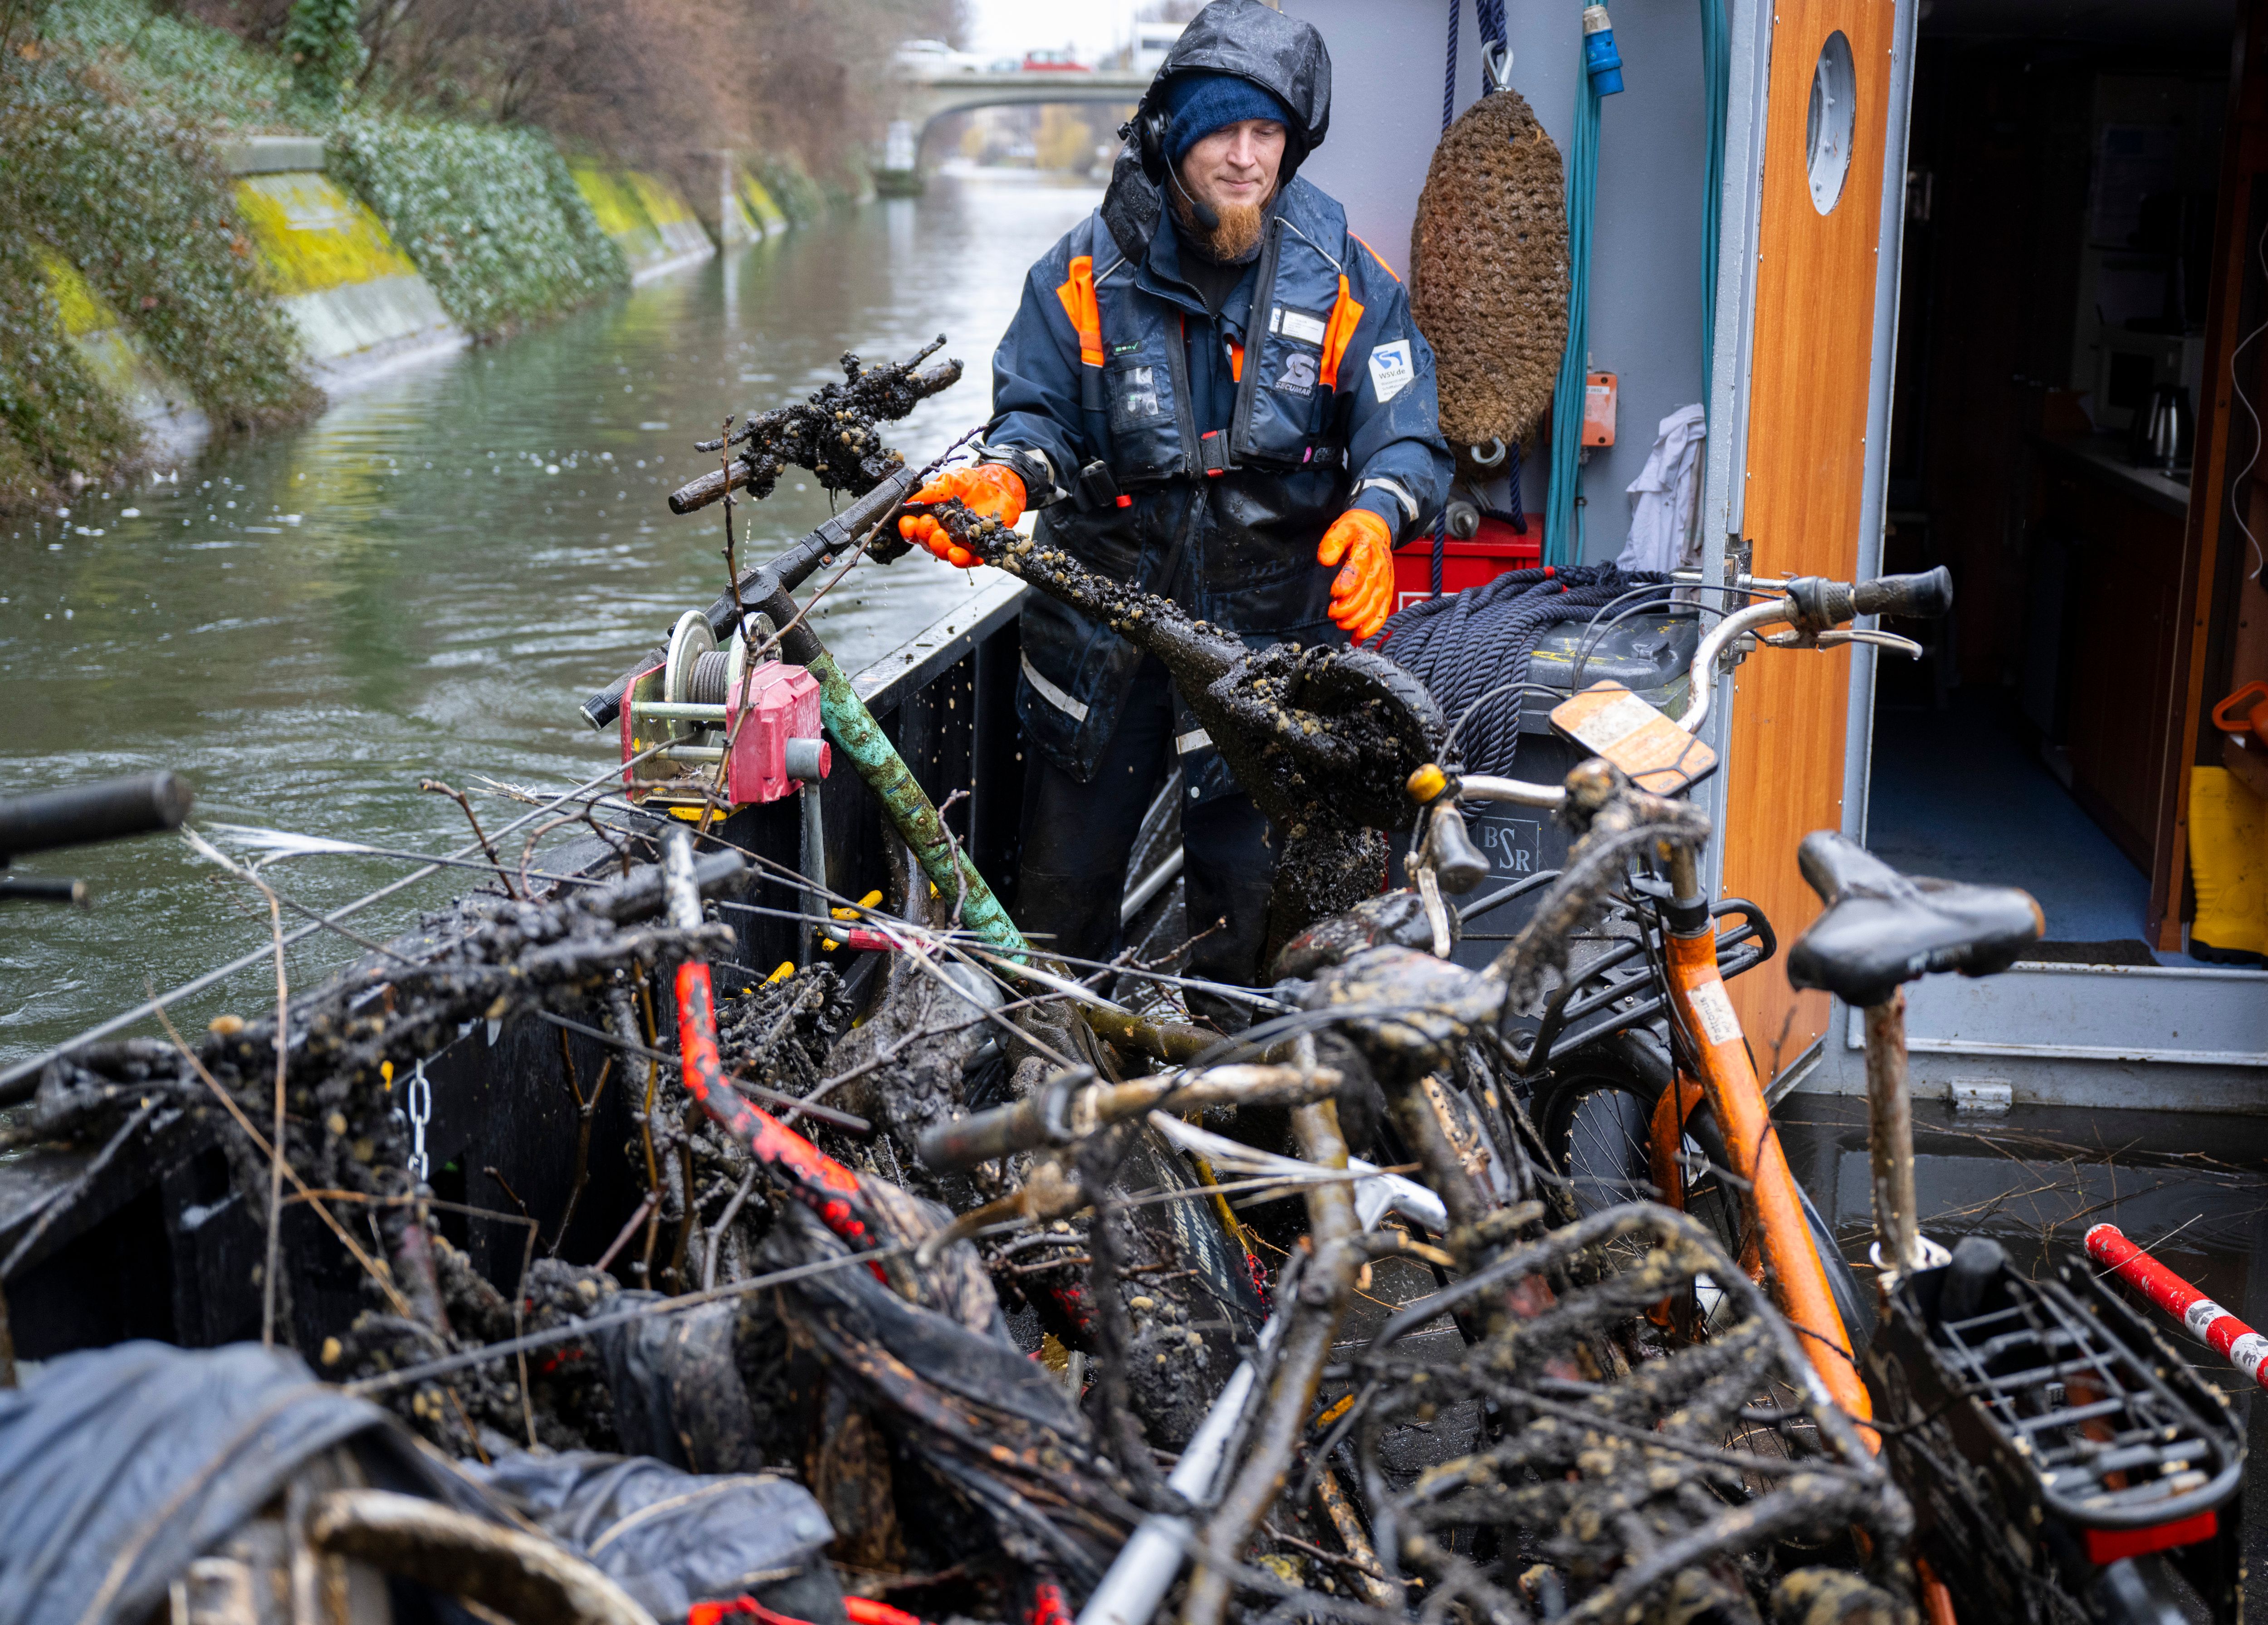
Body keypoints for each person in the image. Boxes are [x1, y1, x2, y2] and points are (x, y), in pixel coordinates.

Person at [898, 0, 1451, 1018]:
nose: (1245, 159)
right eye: (1221, 134)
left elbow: (1406, 432)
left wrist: (1379, 514)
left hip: (1267, 654)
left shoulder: (1346, 277)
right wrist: (1002, 479)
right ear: (1170, 138)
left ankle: (1238, 1083)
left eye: (1266, 133)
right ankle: (1057, 1067)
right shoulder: (1075, 274)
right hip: (1096, 652)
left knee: (1254, 929)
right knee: (1059, 917)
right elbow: (1035, 418)